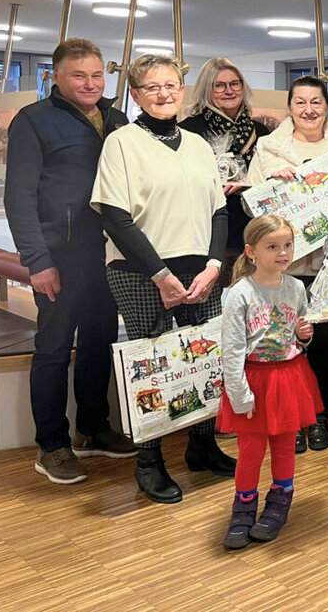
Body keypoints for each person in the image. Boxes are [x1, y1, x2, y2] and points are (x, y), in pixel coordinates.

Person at [90, 53, 232, 503]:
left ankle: (202, 445)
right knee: (151, 366)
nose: (164, 93)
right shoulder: (121, 143)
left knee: (204, 359)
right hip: (140, 271)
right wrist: (160, 273)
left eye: (170, 85)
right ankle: (149, 461)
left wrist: (214, 266)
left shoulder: (197, 144)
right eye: (152, 87)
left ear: (182, 90)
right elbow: (114, 215)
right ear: (135, 94)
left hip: (201, 272)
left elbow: (219, 211)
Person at [4, 38, 135, 485]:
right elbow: (18, 198)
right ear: (56, 77)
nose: (90, 83)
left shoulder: (117, 119)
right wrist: (37, 261)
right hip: (61, 255)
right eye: (79, 75)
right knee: (55, 348)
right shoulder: (34, 121)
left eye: (97, 75)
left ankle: (94, 428)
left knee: (100, 341)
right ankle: (53, 446)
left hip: (110, 253)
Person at [248, 75, 328, 454]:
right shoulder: (268, 149)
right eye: (300, 103)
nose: (309, 110)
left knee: (323, 342)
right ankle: (289, 419)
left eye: (316, 102)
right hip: (283, 265)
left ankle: (319, 416)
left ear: (327, 107)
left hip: (327, 263)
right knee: (283, 343)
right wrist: (271, 183)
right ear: (289, 107)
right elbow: (252, 206)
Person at [217, 215, 322, 549]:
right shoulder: (239, 294)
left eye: (288, 245)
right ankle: (243, 508)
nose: (283, 253)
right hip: (254, 380)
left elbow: (299, 337)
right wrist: (240, 396)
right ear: (251, 252)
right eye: (273, 246)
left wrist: (305, 335)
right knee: (250, 450)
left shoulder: (295, 287)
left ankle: (280, 502)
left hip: (289, 377)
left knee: (284, 446)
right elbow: (231, 350)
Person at [180, 56, 270, 271]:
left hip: (254, 228)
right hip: (210, 229)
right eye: (219, 85)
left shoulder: (261, 131)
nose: (229, 91)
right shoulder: (189, 131)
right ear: (206, 89)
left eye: (234, 84)